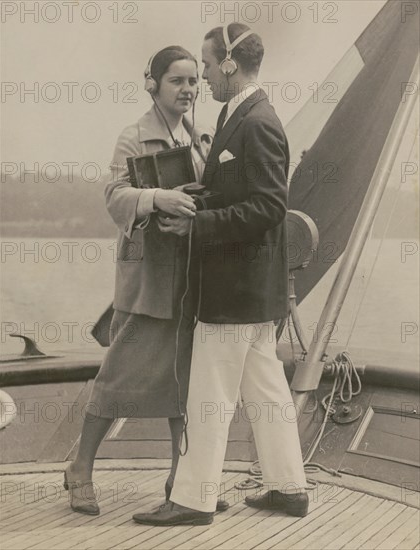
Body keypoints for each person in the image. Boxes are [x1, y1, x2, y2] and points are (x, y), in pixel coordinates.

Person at [133, 23, 309, 527]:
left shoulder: (257, 123)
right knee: (267, 390)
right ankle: (289, 487)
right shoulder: (241, 115)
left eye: (207, 66)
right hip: (255, 290)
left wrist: (197, 225)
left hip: (234, 288)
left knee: (208, 393)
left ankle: (193, 500)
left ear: (229, 65)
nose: (203, 77)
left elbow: (270, 207)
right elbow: (244, 195)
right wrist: (200, 195)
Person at [63, 45, 219, 515]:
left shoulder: (202, 140)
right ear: (152, 84)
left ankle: (182, 481)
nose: (188, 90)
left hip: (189, 281)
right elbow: (114, 196)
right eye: (177, 81)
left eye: (193, 81)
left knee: (182, 385)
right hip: (147, 279)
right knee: (116, 378)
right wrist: (157, 199)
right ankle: (79, 468)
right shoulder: (133, 136)